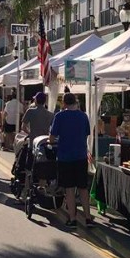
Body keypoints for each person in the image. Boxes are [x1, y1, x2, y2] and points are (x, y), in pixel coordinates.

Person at [49, 93, 93, 229]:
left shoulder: (60, 116)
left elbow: (52, 138)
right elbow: (86, 134)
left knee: (69, 188)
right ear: (76, 102)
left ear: (64, 103)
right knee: (83, 188)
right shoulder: (83, 116)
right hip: (80, 155)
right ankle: (88, 217)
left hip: (65, 156)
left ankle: (72, 218)